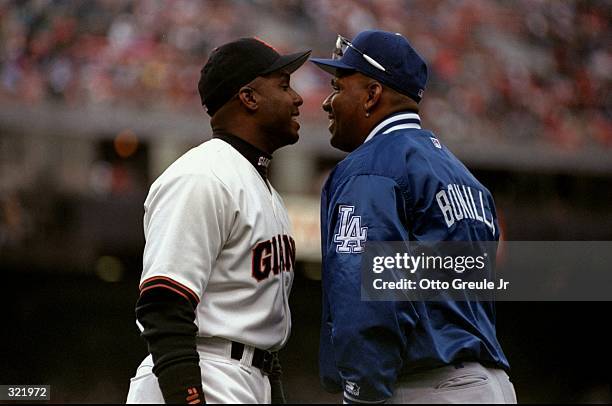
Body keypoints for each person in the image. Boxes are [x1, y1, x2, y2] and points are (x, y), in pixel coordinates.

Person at [310, 30, 517, 404]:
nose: (327, 102)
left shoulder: (371, 168)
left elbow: (368, 290)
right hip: (490, 383)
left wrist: (361, 390)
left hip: (427, 385)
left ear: (372, 94)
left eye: (339, 87)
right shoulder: (463, 176)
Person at [126, 38, 310, 404]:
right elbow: (163, 305)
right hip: (203, 373)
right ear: (248, 97)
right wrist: (189, 397)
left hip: (244, 376)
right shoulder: (202, 177)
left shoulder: (260, 187)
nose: (298, 98)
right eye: (284, 85)